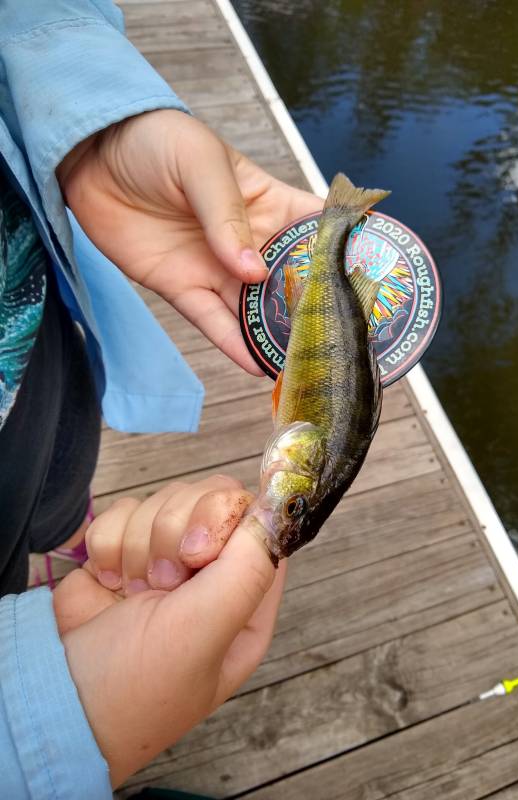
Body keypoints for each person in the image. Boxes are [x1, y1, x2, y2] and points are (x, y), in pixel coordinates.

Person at [0, 0, 321, 796]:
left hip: (33, 346)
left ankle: (57, 547)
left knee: (55, 479)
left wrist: (88, 119)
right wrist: (36, 719)